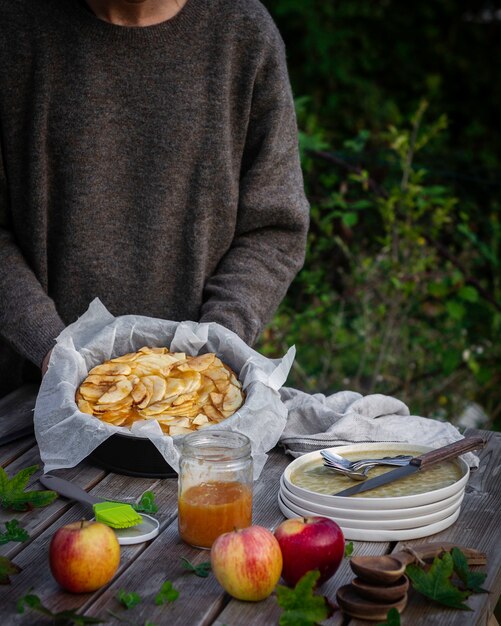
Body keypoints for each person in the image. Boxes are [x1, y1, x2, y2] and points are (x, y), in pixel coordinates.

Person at [0, 0, 309, 398]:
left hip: (200, 405)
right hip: (28, 398)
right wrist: (49, 347)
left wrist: (214, 345)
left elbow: (274, 227)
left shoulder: (243, 34)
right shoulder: (14, 32)